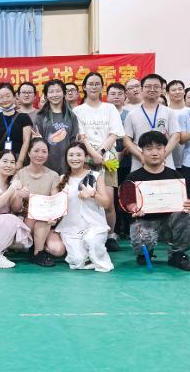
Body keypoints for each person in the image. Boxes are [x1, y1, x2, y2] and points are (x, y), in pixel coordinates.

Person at [124, 131, 190, 271]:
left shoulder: (176, 176)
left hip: (169, 224)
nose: (154, 153)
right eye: (149, 149)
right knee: (141, 240)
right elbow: (128, 202)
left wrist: (188, 204)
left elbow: (186, 201)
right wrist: (134, 208)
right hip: (145, 222)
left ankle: (177, 255)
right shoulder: (132, 178)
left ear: (165, 150)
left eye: (159, 148)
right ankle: (145, 252)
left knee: (186, 216)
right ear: (142, 152)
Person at [73, 73, 124, 252]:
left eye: (97, 84)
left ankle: (110, 236)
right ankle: (87, 234)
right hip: (85, 157)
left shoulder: (110, 108)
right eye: (90, 84)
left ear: (102, 87)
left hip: (108, 158)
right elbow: (81, 136)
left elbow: (114, 133)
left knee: (108, 201)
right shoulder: (78, 111)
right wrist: (93, 154)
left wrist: (101, 153)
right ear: (84, 87)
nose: (94, 87)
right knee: (87, 199)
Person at [51, 142, 113, 272]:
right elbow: (55, 205)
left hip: (94, 225)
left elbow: (107, 204)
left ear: (86, 157)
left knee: (91, 240)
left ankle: (95, 255)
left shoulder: (96, 176)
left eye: (79, 155)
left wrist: (93, 194)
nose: (75, 158)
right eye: (71, 155)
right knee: (77, 261)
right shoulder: (61, 179)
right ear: (66, 158)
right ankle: (86, 255)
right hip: (70, 228)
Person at [10, 138, 65, 266]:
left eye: (44, 151)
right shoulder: (20, 174)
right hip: (25, 221)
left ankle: (36, 245)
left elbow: (54, 204)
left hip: (45, 222)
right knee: (35, 216)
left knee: (58, 250)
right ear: (29, 153)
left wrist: (53, 217)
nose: (40, 155)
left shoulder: (53, 176)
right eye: (36, 151)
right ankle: (38, 252)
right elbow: (14, 209)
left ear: (48, 154)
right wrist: (19, 196)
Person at [124, 73, 181, 172]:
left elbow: (176, 136)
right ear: (141, 89)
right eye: (148, 86)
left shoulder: (169, 112)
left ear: (161, 90)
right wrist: (141, 156)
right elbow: (126, 140)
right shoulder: (132, 114)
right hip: (140, 163)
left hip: (165, 162)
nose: (152, 89)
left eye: (156, 86)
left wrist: (163, 154)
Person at [34, 79, 79, 175]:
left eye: (58, 91)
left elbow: (74, 141)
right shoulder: (41, 116)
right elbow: (37, 141)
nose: (55, 95)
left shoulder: (71, 116)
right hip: (46, 164)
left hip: (67, 163)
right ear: (46, 96)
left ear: (64, 93)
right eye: (51, 92)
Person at [106, 83, 132, 239]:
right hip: (108, 161)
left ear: (125, 96)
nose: (116, 96)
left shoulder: (129, 114)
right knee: (112, 196)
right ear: (107, 96)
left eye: (120, 94)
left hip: (127, 160)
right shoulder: (104, 113)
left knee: (128, 194)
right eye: (113, 94)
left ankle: (128, 229)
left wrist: (124, 152)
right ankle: (114, 230)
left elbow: (131, 135)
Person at [0, 83, 33, 169]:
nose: (5, 99)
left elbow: (26, 141)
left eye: (7, 96)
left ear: (14, 97)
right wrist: (1, 161)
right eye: (1, 97)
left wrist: (20, 162)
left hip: (18, 159)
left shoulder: (24, 117)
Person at [167, 80, 187, 170]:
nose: (177, 92)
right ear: (168, 93)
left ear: (184, 91)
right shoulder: (164, 112)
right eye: (174, 90)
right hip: (169, 159)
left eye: (180, 89)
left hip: (189, 160)